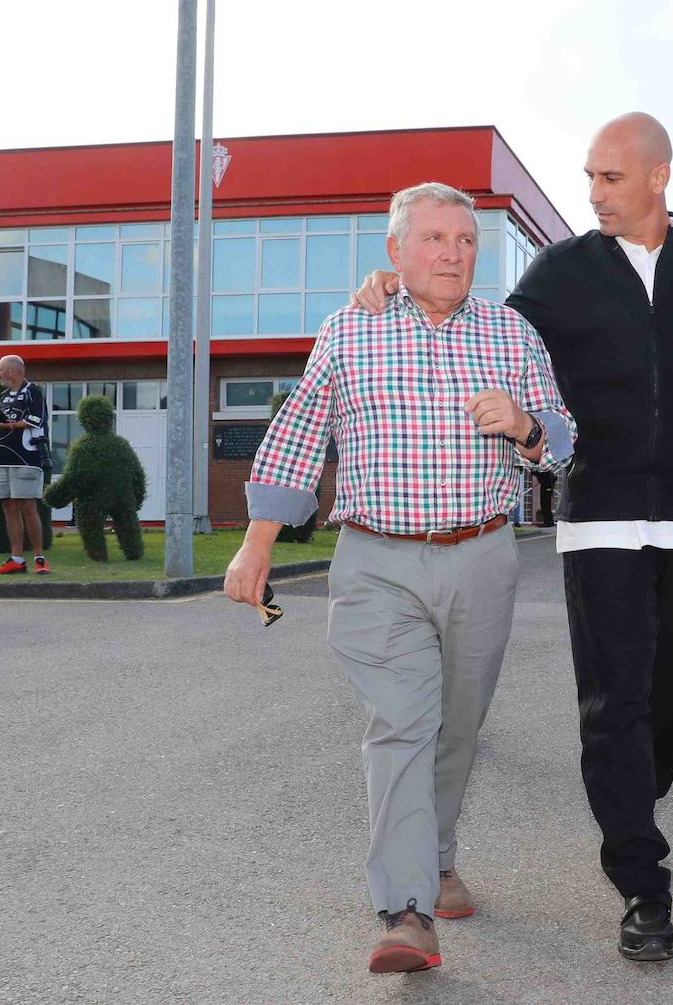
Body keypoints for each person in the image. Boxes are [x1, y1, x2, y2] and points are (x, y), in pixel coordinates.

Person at [353, 113, 673, 962]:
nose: (593, 193)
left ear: (658, 177)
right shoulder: (561, 272)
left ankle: (640, 795)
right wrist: (395, 290)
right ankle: (642, 877)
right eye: (589, 177)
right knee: (614, 699)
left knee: (669, 686)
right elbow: (477, 331)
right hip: (596, 511)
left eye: (608, 177)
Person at [224, 182, 574, 976]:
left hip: (483, 554)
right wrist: (256, 545)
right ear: (396, 251)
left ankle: (437, 856)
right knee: (402, 724)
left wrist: (524, 425)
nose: (453, 253)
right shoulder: (352, 328)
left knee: (457, 725)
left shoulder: (512, 333)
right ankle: (407, 907)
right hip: (376, 559)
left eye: (466, 241)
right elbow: (298, 434)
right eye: (435, 239)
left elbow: (563, 437)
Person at [0, 355, 51, 576]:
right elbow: (1, 424)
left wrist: (3, 425)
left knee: (28, 506)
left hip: (26, 458)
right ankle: (17, 560)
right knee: (9, 507)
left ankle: (40, 559)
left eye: (0, 370)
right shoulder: (4, 397)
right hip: (2, 459)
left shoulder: (33, 391)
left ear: (12, 371)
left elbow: (35, 421)